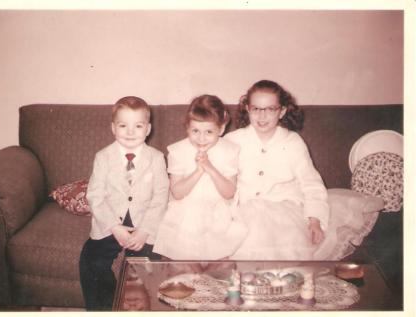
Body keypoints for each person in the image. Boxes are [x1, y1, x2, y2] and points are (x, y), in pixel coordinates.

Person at [79, 96, 169, 310]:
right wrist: (114, 228)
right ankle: (108, 306)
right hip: (110, 224)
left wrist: (145, 231)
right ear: (113, 128)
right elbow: (95, 195)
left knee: (145, 268)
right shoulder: (103, 157)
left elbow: (161, 196)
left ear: (147, 129)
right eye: (123, 125)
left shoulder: (156, 158)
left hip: (144, 225)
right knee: (90, 261)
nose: (130, 132)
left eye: (137, 126)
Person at [225, 80, 329, 260]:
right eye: (256, 109)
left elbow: (311, 183)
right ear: (247, 109)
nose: (262, 116)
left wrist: (314, 219)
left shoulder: (293, 142)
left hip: (284, 212)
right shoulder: (233, 140)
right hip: (243, 208)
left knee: (284, 257)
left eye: (270, 109)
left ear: (282, 111)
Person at [153, 95, 247, 260]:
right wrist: (198, 171)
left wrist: (210, 168)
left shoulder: (230, 150)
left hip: (218, 213)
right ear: (187, 128)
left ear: (222, 129)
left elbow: (229, 193)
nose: (201, 138)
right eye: (195, 131)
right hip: (185, 214)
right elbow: (177, 193)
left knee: (216, 265)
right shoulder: (178, 150)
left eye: (209, 132)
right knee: (184, 266)